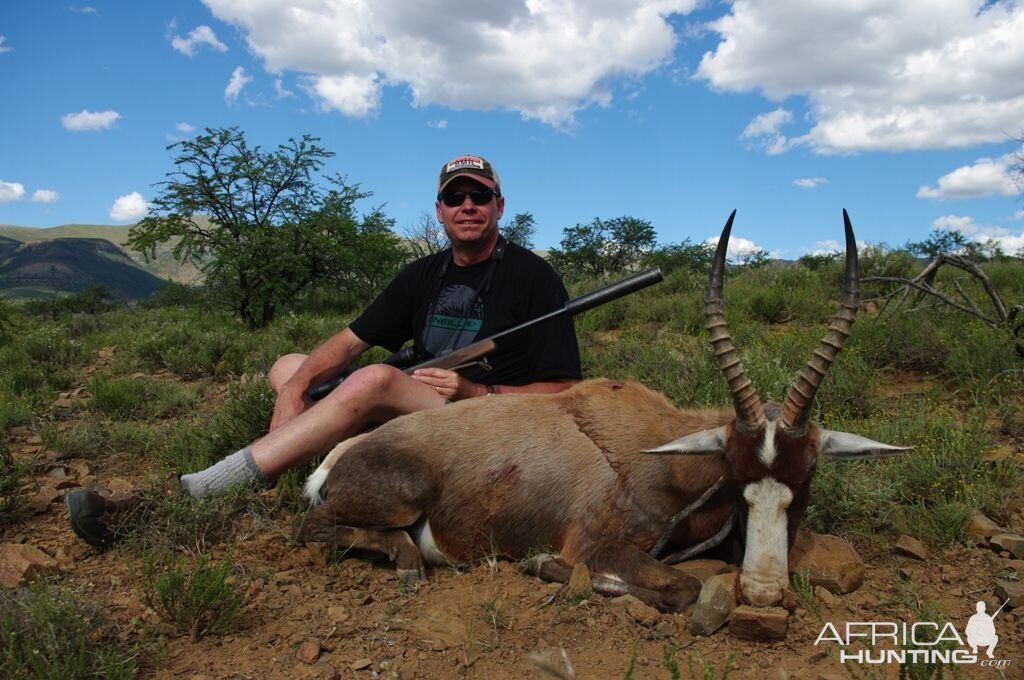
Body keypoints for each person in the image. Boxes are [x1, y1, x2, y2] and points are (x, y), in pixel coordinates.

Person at [67, 154, 582, 547]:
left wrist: (477, 389)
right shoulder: (423, 273)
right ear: (440, 211)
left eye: (480, 196)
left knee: (374, 379)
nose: (467, 206)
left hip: (487, 419)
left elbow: (565, 391)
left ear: (499, 206)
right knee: (290, 365)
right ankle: (307, 447)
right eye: (456, 198)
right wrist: (293, 391)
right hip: (421, 404)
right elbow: (346, 342)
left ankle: (191, 493)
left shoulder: (534, 277)